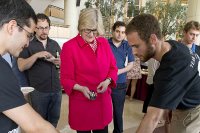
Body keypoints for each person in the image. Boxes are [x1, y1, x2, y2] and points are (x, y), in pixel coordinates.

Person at [126, 14, 200, 133]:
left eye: (136, 46)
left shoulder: (168, 72)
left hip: (192, 115)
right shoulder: (174, 45)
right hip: (181, 109)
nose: (133, 52)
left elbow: (153, 118)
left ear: (153, 39)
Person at [0, 0, 59, 132]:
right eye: (28, 35)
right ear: (12, 27)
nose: (27, 43)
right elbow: (36, 127)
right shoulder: (2, 70)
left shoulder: (54, 43)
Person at [60, 8, 118, 133]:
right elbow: (65, 78)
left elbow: (113, 67)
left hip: (102, 103)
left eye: (95, 30)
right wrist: (81, 88)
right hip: (82, 104)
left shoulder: (104, 43)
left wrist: (108, 81)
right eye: (88, 30)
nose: (91, 34)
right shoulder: (69, 47)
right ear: (81, 27)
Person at [18, 13, 62, 127]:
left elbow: (62, 64)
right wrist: (37, 55)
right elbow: (21, 66)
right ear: (35, 29)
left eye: (46, 28)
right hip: (39, 92)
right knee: (39, 124)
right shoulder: (28, 44)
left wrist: (60, 62)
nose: (44, 31)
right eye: (40, 28)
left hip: (57, 90)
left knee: (54, 121)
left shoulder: (55, 44)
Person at [108, 21, 134, 133]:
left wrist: (118, 72)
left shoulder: (127, 46)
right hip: (105, 83)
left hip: (120, 84)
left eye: (123, 32)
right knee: (102, 111)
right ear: (113, 31)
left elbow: (131, 64)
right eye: (118, 31)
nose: (120, 34)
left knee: (118, 112)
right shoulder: (105, 43)